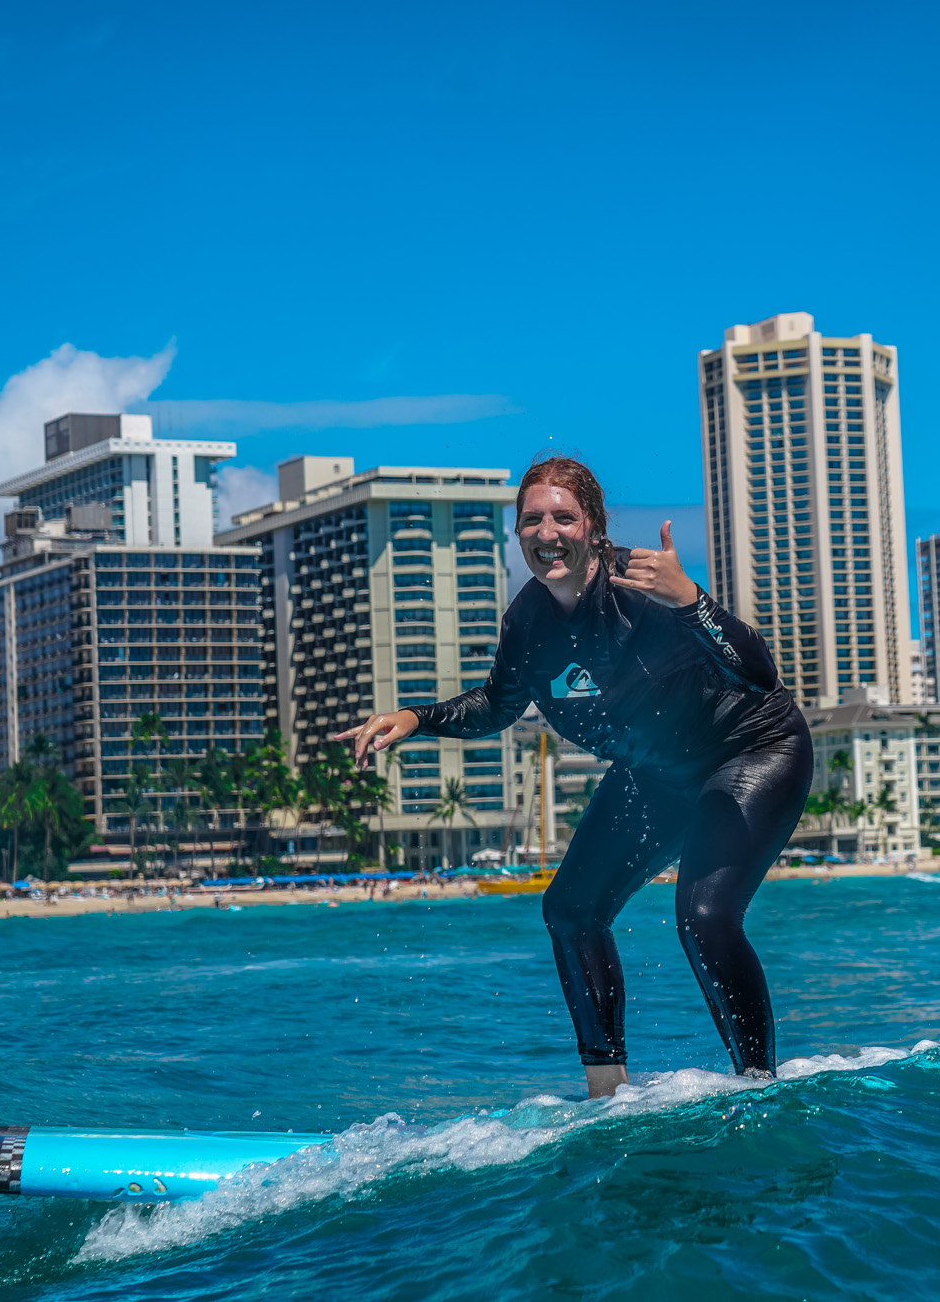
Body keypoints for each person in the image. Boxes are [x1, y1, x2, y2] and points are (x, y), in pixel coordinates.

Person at [337, 455, 811, 1098]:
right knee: (570, 909)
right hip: (658, 775)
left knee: (703, 913)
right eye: (531, 520)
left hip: (751, 751)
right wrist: (417, 718)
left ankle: (759, 1087)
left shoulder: (645, 587)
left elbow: (759, 674)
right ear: (517, 534)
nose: (546, 531)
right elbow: (498, 706)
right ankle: (607, 1095)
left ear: (594, 529)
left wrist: (692, 601)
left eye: (564, 516)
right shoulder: (527, 623)